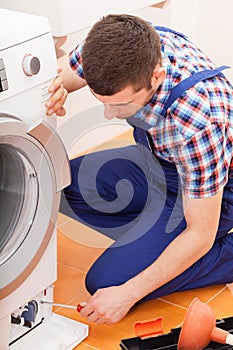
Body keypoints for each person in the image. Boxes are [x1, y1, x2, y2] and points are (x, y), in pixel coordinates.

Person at [46, 14, 233, 325]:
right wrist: (55, 89)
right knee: (60, 183)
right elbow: (63, 73)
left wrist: (129, 292)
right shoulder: (118, 44)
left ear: (156, 77)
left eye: (122, 105)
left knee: (108, 284)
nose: (109, 115)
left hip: (215, 188)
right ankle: (155, 238)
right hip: (159, 163)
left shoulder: (197, 121)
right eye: (100, 100)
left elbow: (200, 233)